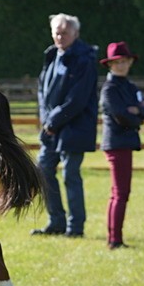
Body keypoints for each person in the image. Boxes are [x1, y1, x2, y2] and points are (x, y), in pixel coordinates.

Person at [33, 13, 98, 237]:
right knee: (43, 170)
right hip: (51, 128)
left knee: (71, 174)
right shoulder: (51, 56)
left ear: (75, 34)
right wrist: (46, 119)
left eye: (65, 33)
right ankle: (56, 221)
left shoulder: (85, 59)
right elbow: (42, 91)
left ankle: (75, 227)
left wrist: (53, 121)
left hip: (74, 127)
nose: (60, 36)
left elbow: (77, 99)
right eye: (57, 32)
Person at [99, 42, 144, 249]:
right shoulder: (109, 89)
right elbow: (122, 116)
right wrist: (137, 114)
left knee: (120, 192)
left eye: (124, 61)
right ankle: (115, 239)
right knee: (120, 193)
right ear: (110, 65)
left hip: (126, 143)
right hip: (116, 144)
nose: (121, 65)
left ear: (130, 62)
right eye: (117, 62)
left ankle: (115, 237)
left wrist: (137, 111)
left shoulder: (131, 87)